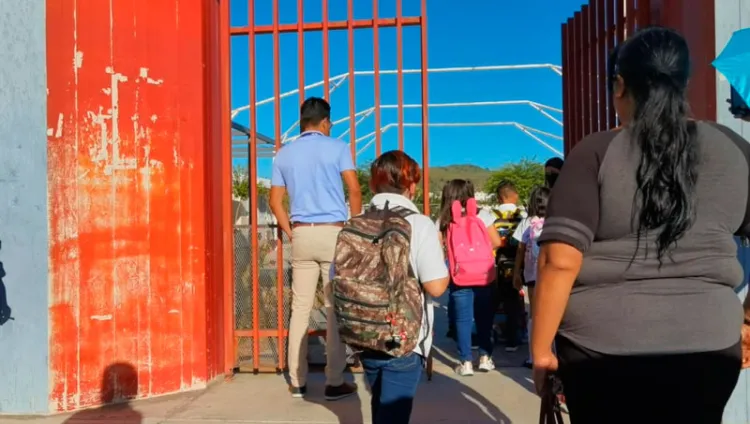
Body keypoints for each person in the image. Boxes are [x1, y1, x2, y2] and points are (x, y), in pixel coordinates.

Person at [531, 27, 750, 423]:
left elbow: (558, 261)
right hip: (711, 346)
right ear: (683, 82)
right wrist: (748, 318)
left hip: (599, 351)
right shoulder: (733, 149)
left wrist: (542, 351)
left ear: (619, 85)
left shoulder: (596, 151)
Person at [269, 97, 362, 400]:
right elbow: (354, 188)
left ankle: (297, 380)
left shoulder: (283, 155)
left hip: (302, 234)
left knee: (300, 309)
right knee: (334, 309)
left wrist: (290, 231)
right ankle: (334, 381)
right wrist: (355, 227)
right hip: (335, 233)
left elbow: (275, 202)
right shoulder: (337, 148)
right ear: (325, 122)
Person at [350, 150, 449, 424]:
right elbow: (437, 286)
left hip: (364, 332)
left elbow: (339, 276)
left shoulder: (356, 223)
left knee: (381, 407)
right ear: (412, 186)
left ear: (372, 185)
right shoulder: (419, 224)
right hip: (403, 336)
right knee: (393, 414)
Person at [437, 179, 503, 376]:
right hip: (484, 274)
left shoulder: (444, 218)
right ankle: (485, 358)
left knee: (462, 319)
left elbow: (439, 249)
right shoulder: (483, 214)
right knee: (484, 317)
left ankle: (465, 362)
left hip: (459, 275)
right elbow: (496, 241)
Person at [512, 186, 550, 368]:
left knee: (534, 314)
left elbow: (520, 250)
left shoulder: (527, 223)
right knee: (551, 313)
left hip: (532, 274)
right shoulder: (554, 221)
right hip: (551, 273)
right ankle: (551, 351)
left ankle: (533, 356)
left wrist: (516, 273)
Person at [492, 181, 527, 352]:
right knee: (513, 302)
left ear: (499, 197)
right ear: (512, 195)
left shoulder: (491, 215)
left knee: (493, 302)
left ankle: (488, 335)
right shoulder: (523, 215)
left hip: (494, 266)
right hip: (517, 265)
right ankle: (513, 340)